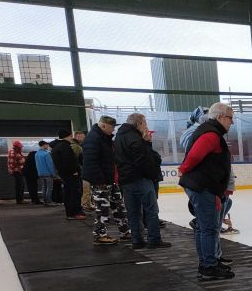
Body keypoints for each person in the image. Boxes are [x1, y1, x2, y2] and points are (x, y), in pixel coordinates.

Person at [179, 102, 234, 280]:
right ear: (220, 117)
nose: (231, 122)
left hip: (203, 186)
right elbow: (194, 156)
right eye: (230, 118)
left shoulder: (210, 131)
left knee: (205, 228)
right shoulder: (211, 134)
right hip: (203, 187)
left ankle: (208, 262)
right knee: (208, 228)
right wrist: (185, 169)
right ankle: (208, 266)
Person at [114, 113, 169, 250]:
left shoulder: (119, 137)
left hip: (126, 180)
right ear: (138, 124)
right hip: (140, 179)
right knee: (151, 210)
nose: (146, 126)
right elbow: (144, 159)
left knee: (133, 211)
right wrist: (151, 174)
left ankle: (137, 240)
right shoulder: (135, 138)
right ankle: (154, 239)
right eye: (145, 123)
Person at [82, 115, 129, 246]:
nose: (113, 130)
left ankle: (125, 231)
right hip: (101, 182)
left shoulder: (105, 139)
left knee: (119, 207)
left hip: (110, 180)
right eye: (111, 127)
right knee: (102, 210)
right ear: (103, 125)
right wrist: (99, 181)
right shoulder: (94, 139)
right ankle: (99, 235)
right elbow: (91, 163)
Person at [50, 129, 85, 220]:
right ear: (67, 136)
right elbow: (68, 161)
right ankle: (74, 213)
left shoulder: (56, 147)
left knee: (68, 193)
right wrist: (74, 171)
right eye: (70, 136)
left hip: (64, 174)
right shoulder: (65, 147)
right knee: (74, 194)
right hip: (71, 175)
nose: (71, 138)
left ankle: (70, 213)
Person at [74, 130, 94, 212]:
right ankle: (84, 205)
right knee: (85, 189)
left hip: (86, 170)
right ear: (75, 137)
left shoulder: (83, 146)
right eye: (79, 136)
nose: (81, 138)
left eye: (82, 136)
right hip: (82, 170)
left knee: (88, 189)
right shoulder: (76, 147)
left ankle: (88, 204)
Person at [35, 141, 56, 206]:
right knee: (49, 188)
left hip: (40, 173)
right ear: (44, 145)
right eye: (47, 145)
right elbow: (50, 165)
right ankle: (49, 201)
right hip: (48, 173)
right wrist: (53, 174)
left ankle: (45, 201)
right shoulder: (46, 154)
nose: (48, 146)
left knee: (44, 187)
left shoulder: (36, 154)